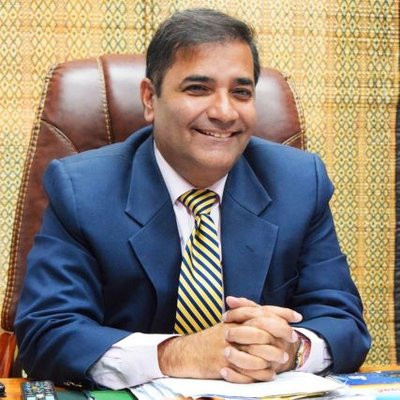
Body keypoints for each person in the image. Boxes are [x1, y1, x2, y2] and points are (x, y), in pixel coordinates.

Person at [15, 8, 370, 389]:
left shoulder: (299, 182)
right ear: (150, 99)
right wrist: (177, 354)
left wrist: (290, 349)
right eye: (198, 89)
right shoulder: (82, 189)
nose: (224, 112)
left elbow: (344, 323)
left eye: (241, 92)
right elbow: (47, 334)